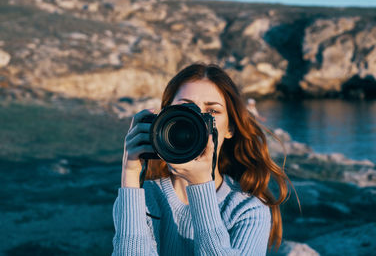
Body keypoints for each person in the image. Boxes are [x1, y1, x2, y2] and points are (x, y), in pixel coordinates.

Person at [112, 63, 291, 255]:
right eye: (185, 108)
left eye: (212, 111)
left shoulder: (248, 209)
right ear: (165, 118)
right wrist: (130, 174)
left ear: (230, 128)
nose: (195, 120)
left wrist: (200, 184)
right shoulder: (142, 197)